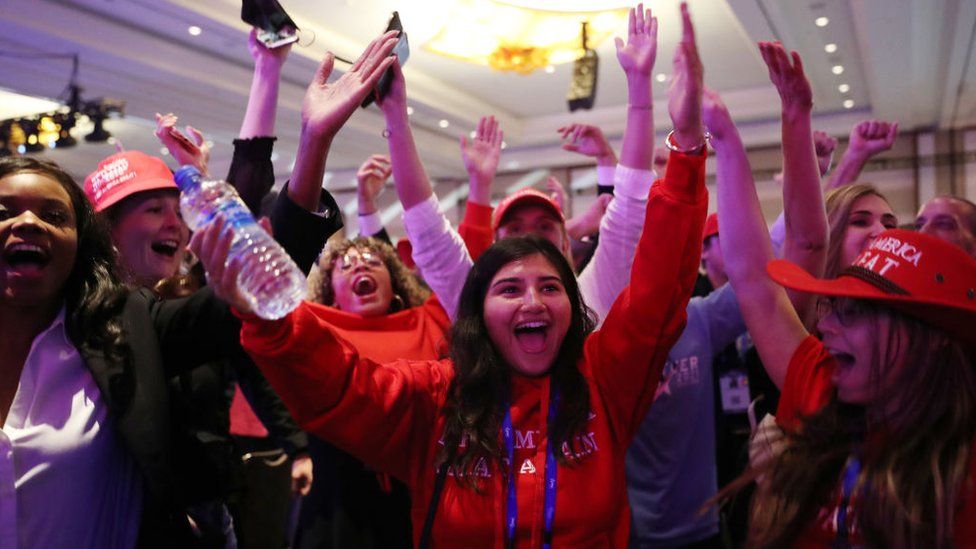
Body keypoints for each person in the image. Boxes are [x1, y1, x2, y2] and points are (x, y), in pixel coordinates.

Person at [192, 7, 706, 547]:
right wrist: (265, 313)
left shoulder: (604, 380)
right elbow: (343, 385)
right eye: (510, 288)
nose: (533, 300)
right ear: (476, 311)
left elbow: (655, 292)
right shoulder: (437, 398)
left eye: (549, 286)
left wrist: (688, 142)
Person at [704, 64, 976, 545]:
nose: (827, 330)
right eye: (834, 309)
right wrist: (723, 139)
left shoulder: (961, 474)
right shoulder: (823, 379)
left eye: (854, 312)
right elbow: (757, 280)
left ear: (927, 340)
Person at [0, 156, 256, 548]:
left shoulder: (123, 327)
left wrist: (310, 145)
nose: (30, 222)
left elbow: (233, 302)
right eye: (4, 211)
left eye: (53, 215)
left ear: (80, 242)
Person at [380, 3, 664, 326]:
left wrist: (640, 86)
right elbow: (427, 228)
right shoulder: (476, 303)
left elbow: (630, 210)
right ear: (495, 244)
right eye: (515, 229)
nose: (530, 238)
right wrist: (395, 114)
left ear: (566, 243)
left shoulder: (594, 294)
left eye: (544, 227)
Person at [295, 236, 450, 548]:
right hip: (342, 502)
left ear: (394, 285)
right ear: (331, 293)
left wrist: (479, 189)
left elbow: (455, 271)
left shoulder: (429, 320)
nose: (360, 265)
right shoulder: (315, 327)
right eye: (346, 265)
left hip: (424, 493)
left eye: (373, 262)